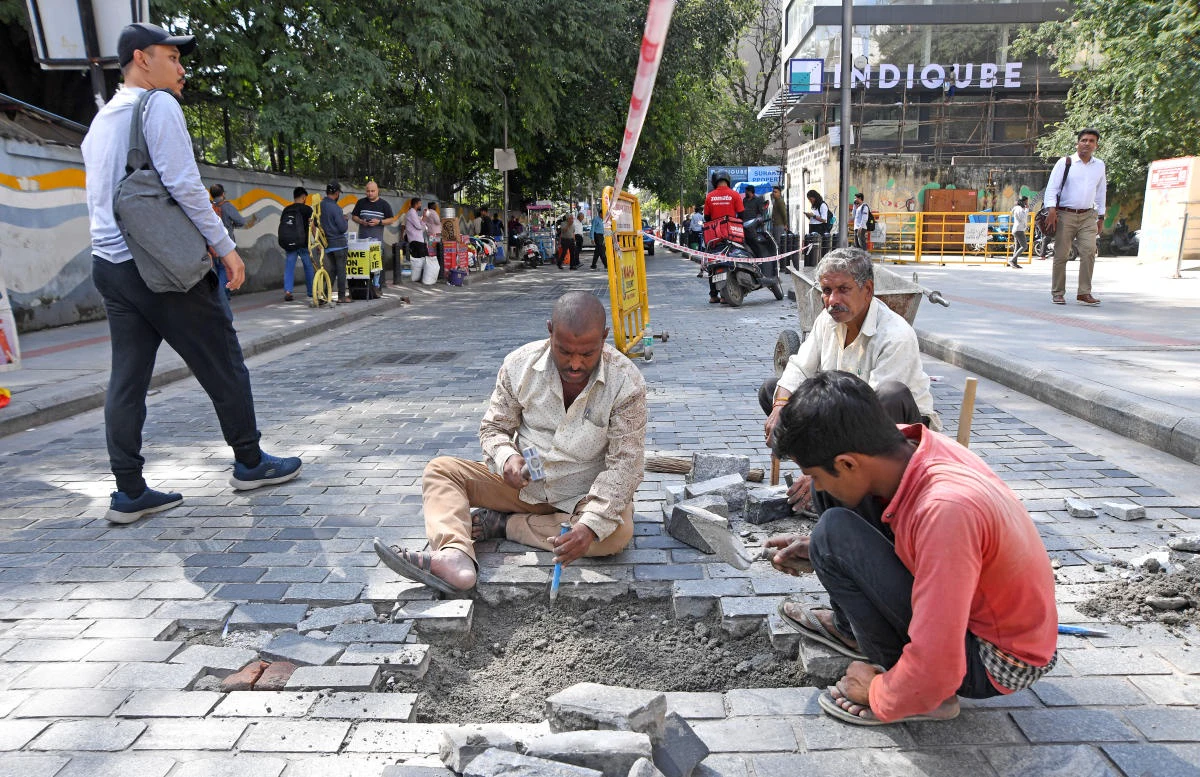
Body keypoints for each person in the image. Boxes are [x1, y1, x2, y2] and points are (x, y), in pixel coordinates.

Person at [82, 22, 302, 525]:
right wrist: (227, 249)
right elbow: (183, 185)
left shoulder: (101, 122)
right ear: (142, 59)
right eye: (172, 57)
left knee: (127, 379)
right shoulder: (156, 105)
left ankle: (129, 491)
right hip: (162, 268)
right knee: (222, 359)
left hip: (110, 266)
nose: (181, 68)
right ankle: (250, 461)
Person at [763, 370, 1058, 725]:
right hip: (977, 617)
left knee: (833, 531)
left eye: (820, 471)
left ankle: (927, 699)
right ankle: (852, 631)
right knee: (829, 522)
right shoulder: (912, 449)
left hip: (996, 659)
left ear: (848, 463)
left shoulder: (946, 510)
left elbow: (939, 663)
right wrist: (824, 554)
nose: (815, 484)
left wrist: (880, 692)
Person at [373, 291, 647, 593]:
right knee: (441, 471)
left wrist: (590, 525)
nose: (575, 364)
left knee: (615, 533)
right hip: (524, 487)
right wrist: (507, 458)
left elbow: (626, 463)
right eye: (565, 351)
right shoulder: (519, 365)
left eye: (587, 353)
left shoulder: (626, 381)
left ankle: (504, 526)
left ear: (604, 338)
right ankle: (455, 554)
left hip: (582, 496)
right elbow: (493, 428)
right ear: (549, 331)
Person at [1044, 128, 1105, 305]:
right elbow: (1052, 188)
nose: (1087, 143)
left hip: (1088, 215)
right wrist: (1051, 210)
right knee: (1062, 254)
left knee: (1089, 251)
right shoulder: (1065, 163)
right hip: (1065, 214)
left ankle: (1084, 292)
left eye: (1091, 141)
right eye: (1084, 140)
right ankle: (1058, 292)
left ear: (1096, 145)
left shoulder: (1099, 165)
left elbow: (1101, 191)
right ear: (1077, 143)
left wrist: (1101, 216)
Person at [208, 183, 257, 300]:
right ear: (223, 194)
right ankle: (222, 297)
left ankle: (219, 295)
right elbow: (241, 221)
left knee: (217, 269)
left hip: (211, 245)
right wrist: (231, 224)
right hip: (225, 244)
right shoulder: (226, 206)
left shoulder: (208, 206)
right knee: (226, 269)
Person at [278, 186, 315, 302]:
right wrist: (318, 243)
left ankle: (288, 291)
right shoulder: (307, 210)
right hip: (303, 244)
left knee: (289, 266)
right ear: (304, 197)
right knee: (308, 266)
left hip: (290, 243)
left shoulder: (286, 209)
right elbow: (313, 227)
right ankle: (311, 291)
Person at [318, 181, 351, 303]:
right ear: (337, 193)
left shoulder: (320, 206)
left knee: (332, 270)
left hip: (327, 244)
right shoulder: (336, 208)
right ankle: (342, 296)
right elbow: (342, 228)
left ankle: (327, 294)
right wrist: (345, 219)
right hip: (339, 244)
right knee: (341, 269)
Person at [404, 197, 428, 273]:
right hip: (415, 240)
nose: (421, 205)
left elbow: (422, 226)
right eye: (420, 203)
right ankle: (418, 275)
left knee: (423, 259)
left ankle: (420, 275)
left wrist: (424, 216)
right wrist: (422, 225)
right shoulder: (411, 213)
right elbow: (419, 226)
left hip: (419, 240)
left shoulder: (415, 213)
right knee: (420, 259)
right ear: (416, 204)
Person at [1009, 195, 1029, 269]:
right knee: (1024, 246)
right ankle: (1012, 260)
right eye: (1026, 202)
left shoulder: (1018, 208)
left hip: (1017, 229)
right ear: (1023, 202)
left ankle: (1014, 263)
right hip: (1019, 230)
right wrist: (1026, 210)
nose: (1027, 203)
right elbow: (1022, 218)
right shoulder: (1019, 209)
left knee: (1017, 247)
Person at [424, 201, 443, 270]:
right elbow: (437, 221)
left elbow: (425, 221)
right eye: (435, 205)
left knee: (431, 247)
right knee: (437, 247)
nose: (436, 207)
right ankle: (437, 261)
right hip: (436, 233)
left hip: (429, 232)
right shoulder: (434, 212)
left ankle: (431, 261)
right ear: (432, 206)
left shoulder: (427, 212)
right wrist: (441, 220)